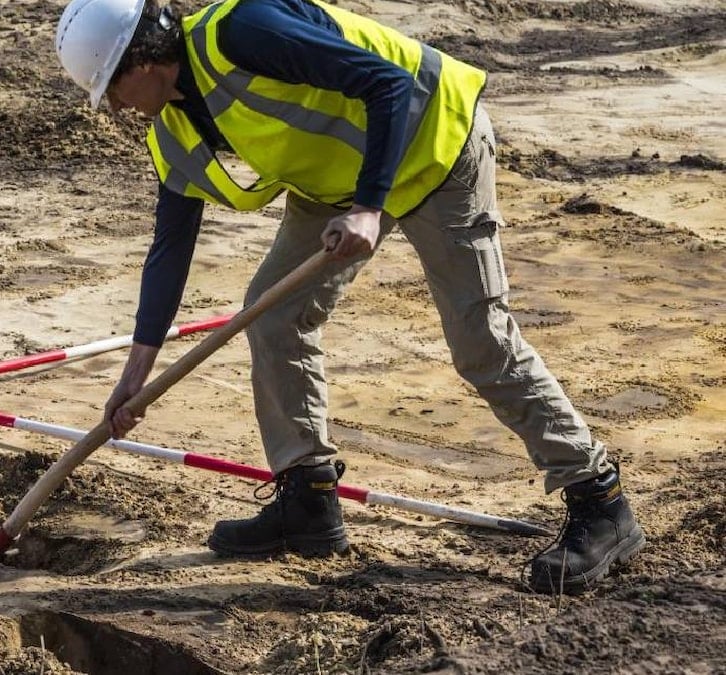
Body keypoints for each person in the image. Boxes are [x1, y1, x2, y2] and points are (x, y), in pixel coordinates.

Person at [53, 0, 645, 593]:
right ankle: (307, 498)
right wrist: (137, 370)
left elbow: (389, 84)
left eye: (112, 88)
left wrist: (369, 206)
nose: (115, 107)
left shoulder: (242, 31)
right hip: (341, 181)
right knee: (274, 313)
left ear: (145, 60)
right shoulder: (174, 127)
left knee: (480, 341)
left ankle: (600, 501)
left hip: (434, 141)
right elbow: (170, 246)